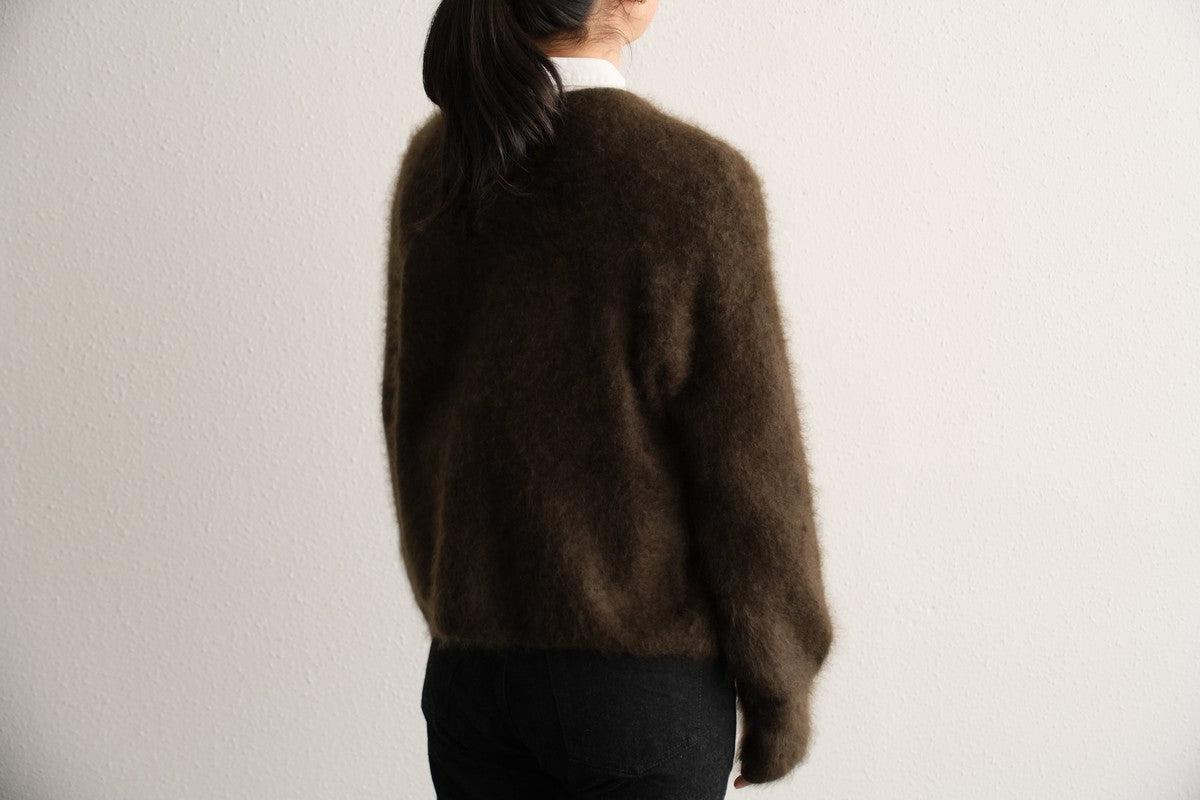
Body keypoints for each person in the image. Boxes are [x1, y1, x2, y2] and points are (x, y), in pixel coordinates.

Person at [381, 1, 834, 797]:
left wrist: (453, 602)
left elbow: (409, 417)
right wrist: (781, 689)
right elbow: (752, 474)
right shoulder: (695, 185)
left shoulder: (439, 164)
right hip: (639, 698)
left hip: (470, 686)